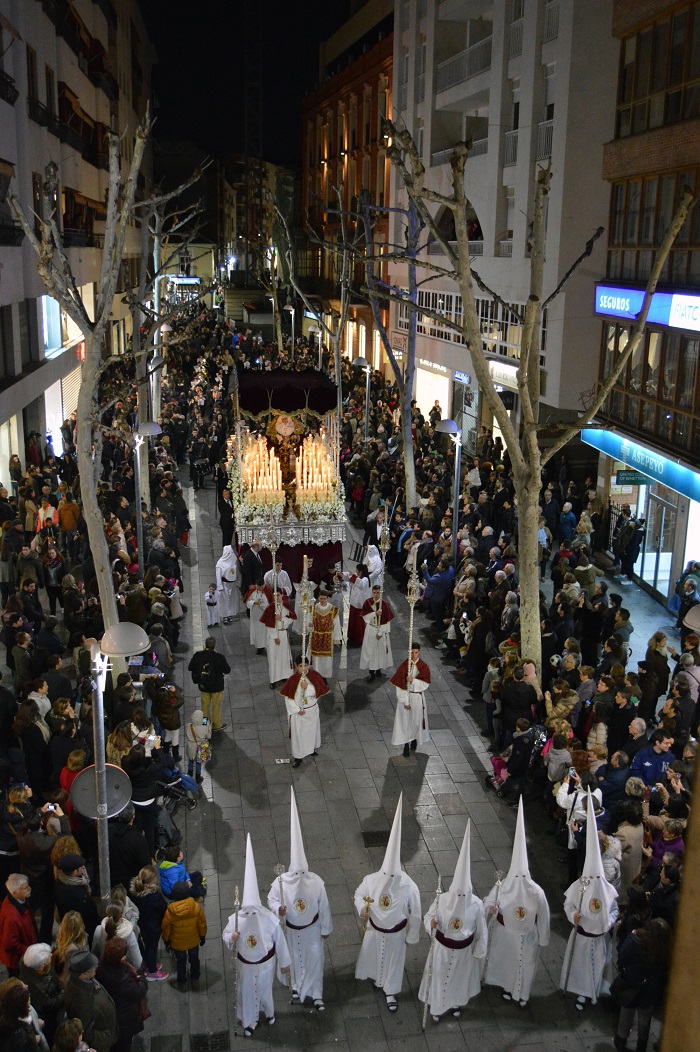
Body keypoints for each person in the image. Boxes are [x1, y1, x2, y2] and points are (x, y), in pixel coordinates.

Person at [354, 794, 420, 1013]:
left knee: (394, 962)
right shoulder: (371, 880)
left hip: (395, 933)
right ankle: (375, 977)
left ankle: (390, 990)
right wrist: (362, 908)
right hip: (374, 928)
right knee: (374, 956)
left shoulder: (409, 886)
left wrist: (412, 935)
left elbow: (416, 913)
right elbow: (359, 894)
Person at [267, 789, 332, 1010]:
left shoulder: (316, 883)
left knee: (315, 959)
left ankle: (317, 993)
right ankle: (295, 985)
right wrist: (279, 910)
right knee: (295, 958)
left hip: (312, 929)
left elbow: (324, 906)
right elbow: (271, 899)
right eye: (296, 874)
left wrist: (325, 927)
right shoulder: (282, 881)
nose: (299, 878)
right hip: (293, 929)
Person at [483, 798, 550, 1007]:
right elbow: (488, 901)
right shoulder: (503, 886)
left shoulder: (536, 892)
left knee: (526, 966)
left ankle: (522, 994)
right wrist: (490, 909)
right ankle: (506, 986)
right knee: (508, 964)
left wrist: (543, 938)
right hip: (506, 934)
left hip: (527, 935)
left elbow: (544, 915)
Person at [222, 835, 291, 1037]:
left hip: (265, 964)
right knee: (246, 992)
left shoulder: (269, 918)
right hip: (246, 964)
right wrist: (232, 937)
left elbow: (280, 940)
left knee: (264, 989)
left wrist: (284, 962)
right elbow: (226, 935)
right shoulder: (236, 918)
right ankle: (249, 1020)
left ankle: (268, 1011)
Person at [418, 821, 486, 1023]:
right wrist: (431, 924)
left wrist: (480, 950)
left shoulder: (476, 904)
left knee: (459, 978)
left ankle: (455, 1002)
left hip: (464, 950)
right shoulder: (442, 900)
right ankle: (437, 1006)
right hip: (443, 948)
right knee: (439, 977)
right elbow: (429, 916)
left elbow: (481, 929)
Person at [560, 791, 619, 1010]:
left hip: (599, 936)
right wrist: (572, 915)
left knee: (597, 967)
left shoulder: (608, 890)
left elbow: (613, 911)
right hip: (583, 935)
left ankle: (595, 990)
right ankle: (582, 993)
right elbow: (568, 904)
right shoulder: (579, 886)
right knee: (581, 967)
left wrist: (608, 922)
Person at [613, 918, 672, 1052]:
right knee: (645, 1016)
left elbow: (622, 956)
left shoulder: (636, 941)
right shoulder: (665, 950)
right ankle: (642, 1044)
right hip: (650, 988)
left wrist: (631, 936)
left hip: (631, 983)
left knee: (627, 1010)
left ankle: (621, 1040)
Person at [95, 936, 148, 1052]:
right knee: (123, 1044)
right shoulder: (123, 979)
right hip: (123, 1017)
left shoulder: (101, 964)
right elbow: (139, 991)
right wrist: (141, 979)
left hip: (110, 1012)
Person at [63, 950, 118, 1052]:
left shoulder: (81, 980)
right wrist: (107, 1037)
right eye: (94, 968)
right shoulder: (81, 1001)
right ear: (84, 974)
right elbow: (88, 1034)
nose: (96, 969)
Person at [279, 659, 327, 769]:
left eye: (306, 665)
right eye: (301, 666)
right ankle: (298, 757)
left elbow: (320, 690)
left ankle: (311, 749)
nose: (304, 668)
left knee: (311, 732)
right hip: (299, 713)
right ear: (296, 666)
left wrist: (308, 687)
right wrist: (296, 710)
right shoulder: (292, 680)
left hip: (311, 710)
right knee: (299, 736)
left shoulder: (314, 676)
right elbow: (288, 698)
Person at [161, 880, 207, 990]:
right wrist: (202, 936)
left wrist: (166, 941)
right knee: (194, 960)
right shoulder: (195, 907)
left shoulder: (170, 911)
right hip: (193, 940)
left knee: (181, 963)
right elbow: (202, 923)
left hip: (178, 944)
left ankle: (181, 983)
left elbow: (165, 928)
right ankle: (195, 979)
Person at [18, 942, 63, 1046]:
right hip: (48, 1016)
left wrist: (60, 987)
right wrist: (62, 995)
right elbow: (47, 1004)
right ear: (41, 967)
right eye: (49, 959)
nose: (51, 956)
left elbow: (54, 976)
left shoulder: (36, 965)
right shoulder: (33, 985)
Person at [390, 644, 431, 757]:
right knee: (405, 723)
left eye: (416, 652)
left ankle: (414, 739)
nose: (414, 655)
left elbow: (425, 684)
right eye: (412, 652)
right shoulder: (404, 666)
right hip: (406, 697)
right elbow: (399, 686)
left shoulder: (423, 666)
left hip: (417, 698)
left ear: (419, 653)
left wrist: (413, 680)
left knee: (416, 721)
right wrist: (405, 701)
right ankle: (406, 746)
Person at [129, 865, 168, 982]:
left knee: (146, 944)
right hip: (153, 926)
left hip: (141, 924)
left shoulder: (134, 891)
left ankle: (148, 964)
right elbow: (164, 908)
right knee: (152, 947)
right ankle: (152, 971)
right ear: (152, 881)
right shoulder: (154, 896)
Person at [187, 637, 231, 733]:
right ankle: (216, 725)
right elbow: (227, 670)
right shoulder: (219, 657)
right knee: (216, 706)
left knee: (205, 707)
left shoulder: (198, 656)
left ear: (205, 645)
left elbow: (190, 667)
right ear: (215, 645)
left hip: (203, 686)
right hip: (217, 686)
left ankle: (205, 724)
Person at [0, 874, 38, 977]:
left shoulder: (14, 900)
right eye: (25, 888)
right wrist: (31, 951)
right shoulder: (12, 918)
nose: (29, 889)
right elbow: (10, 944)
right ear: (14, 892)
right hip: (17, 961)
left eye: (28, 885)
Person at [259, 593, 296, 688]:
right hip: (273, 637)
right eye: (275, 596)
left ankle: (285, 675)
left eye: (278, 595)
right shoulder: (270, 608)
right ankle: (273, 680)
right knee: (273, 658)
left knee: (284, 656)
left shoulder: (286, 606)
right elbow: (268, 624)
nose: (277, 597)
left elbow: (292, 618)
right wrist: (275, 637)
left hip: (283, 634)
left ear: (282, 595)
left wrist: (282, 619)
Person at [359, 585, 394, 681]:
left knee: (380, 651)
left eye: (378, 592)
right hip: (371, 629)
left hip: (380, 631)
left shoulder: (384, 604)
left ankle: (378, 669)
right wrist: (375, 613)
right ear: (372, 592)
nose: (376, 594)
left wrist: (381, 633)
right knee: (370, 651)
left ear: (381, 593)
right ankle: (371, 672)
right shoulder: (368, 602)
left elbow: (387, 621)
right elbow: (365, 617)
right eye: (374, 592)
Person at [307, 592, 341, 678]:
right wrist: (310, 625)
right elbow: (308, 622)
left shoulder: (333, 610)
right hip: (316, 637)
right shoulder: (313, 609)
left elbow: (336, 625)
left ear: (327, 599)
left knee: (326, 659)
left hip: (327, 637)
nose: (322, 600)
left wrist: (337, 639)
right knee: (317, 658)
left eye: (324, 599)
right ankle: (316, 675)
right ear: (318, 598)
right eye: (321, 598)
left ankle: (325, 676)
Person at [243, 578, 271, 653]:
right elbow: (247, 602)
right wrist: (254, 602)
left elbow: (271, 602)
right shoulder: (252, 590)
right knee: (257, 631)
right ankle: (259, 647)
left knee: (265, 631)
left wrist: (264, 606)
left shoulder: (268, 590)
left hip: (265, 614)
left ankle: (267, 645)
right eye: (258, 588)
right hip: (255, 615)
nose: (259, 589)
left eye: (261, 588)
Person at [215, 545, 241, 624]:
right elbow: (218, 576)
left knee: (231, 600)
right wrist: (220, 587)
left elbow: (239, 573)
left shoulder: (234, 561)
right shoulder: (220, 563)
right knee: (225, 601)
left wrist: (238, 582)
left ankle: (230, 614)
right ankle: (225, 616)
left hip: (233, 584)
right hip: (225, 584)